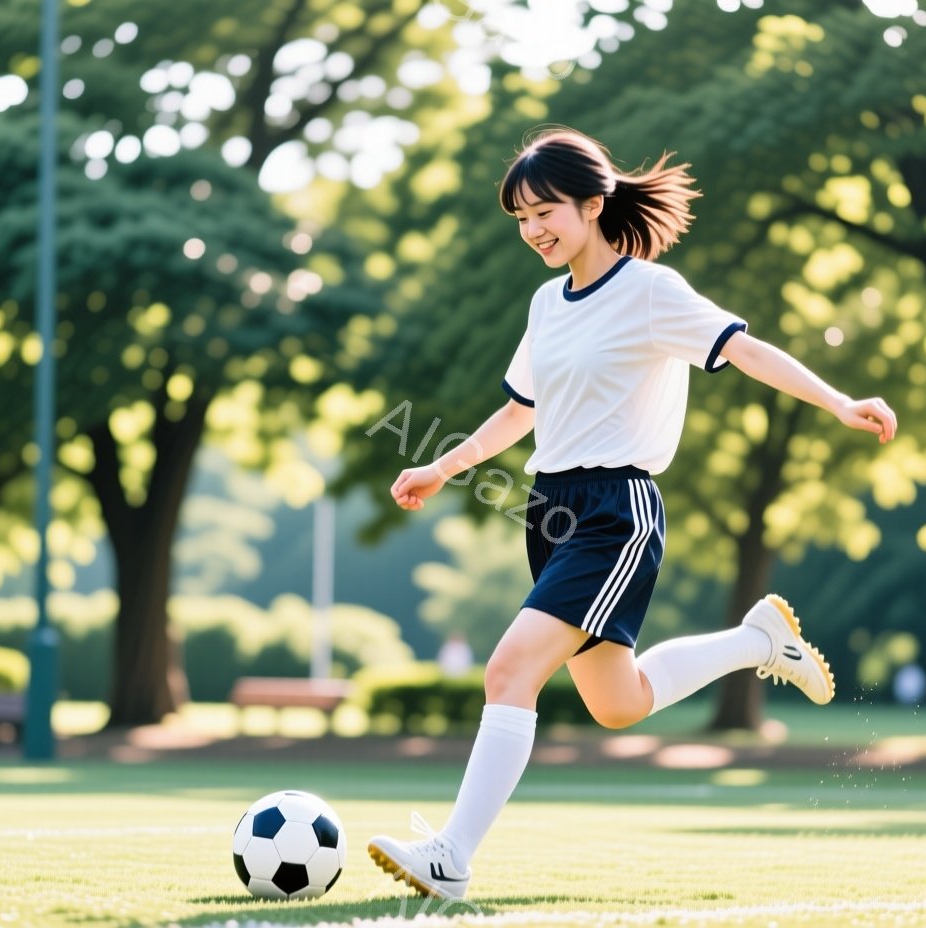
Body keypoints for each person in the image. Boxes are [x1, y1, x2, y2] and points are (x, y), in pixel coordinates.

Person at [368, 129, 898, 901]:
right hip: (548, 510)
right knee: (619, 705)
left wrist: (840, 402)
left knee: (508, 670)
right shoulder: (547, 302)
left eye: (545, 211)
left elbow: (746, 350)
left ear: (593, 204)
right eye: (520, 218)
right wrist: (440, 467)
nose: (533, 230)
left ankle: (451, 857)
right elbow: (520, 411)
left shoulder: (652, 291)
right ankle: (758, 639)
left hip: (616, 513)